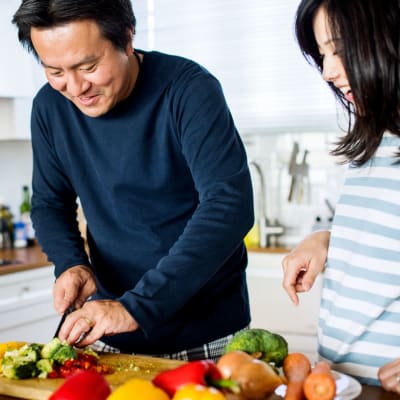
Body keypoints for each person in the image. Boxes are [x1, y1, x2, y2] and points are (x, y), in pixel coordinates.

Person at [12, 0, 254, 361]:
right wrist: (71, 263)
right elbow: (50, 203)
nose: (76, 88)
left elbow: (229, 206)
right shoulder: (49, 107)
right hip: (109, 330)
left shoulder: (189, 90)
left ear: (127, 38)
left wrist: (137, 308)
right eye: (55, 71)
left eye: (89, 66)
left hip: (207, 334)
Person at [282, 0, 400, 393]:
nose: (329, 71)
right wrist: (329, 241)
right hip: (342, 383)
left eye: (340, 49)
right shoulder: (377, 140)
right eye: (323, 54)